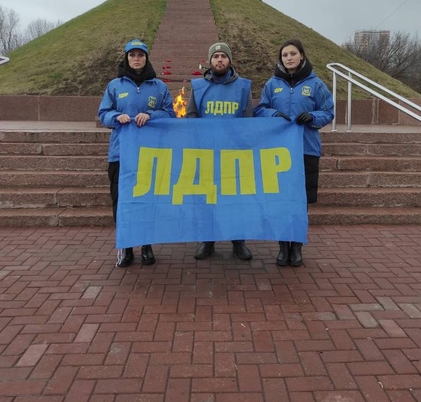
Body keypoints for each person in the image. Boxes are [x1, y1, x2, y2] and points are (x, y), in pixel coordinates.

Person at [254, 39, 334, 267]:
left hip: (306, 149)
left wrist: (313, 117)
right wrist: (273, 116)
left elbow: (328, 111)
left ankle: (296, 246)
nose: (288, 58)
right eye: (284, 55)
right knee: (280, 200)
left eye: (292, 54)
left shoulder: (316, 84)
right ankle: (282, 246)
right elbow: (261, 109)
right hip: (278, 152)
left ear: (301, 56)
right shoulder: (272, 84)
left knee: (301, 201)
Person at [98, 39, 176, 267]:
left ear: (146, 58)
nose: (136, 59)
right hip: (120, 155)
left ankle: (147, 246)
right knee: (121, 201)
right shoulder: (115, 85)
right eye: (132, 55)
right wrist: (115, 117)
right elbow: (103, 114)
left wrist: (152, 115)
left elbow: (170, 114)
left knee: (148, 200)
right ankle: (126, 247)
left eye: (140, 55)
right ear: (127, 58)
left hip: (150, 155)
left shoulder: (159, 87)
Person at [186, 41, 254, 261]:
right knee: (208, 198)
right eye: (215, 57)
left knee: (236, 199)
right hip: (208, 154)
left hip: (234, 154)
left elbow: (249, 118)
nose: (219, 60)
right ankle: (207, 241)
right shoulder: (198, 87)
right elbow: (191, 116)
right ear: (209, 61)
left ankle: (238, 241)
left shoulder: (243, 86)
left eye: (223, 56)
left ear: (229, 60)